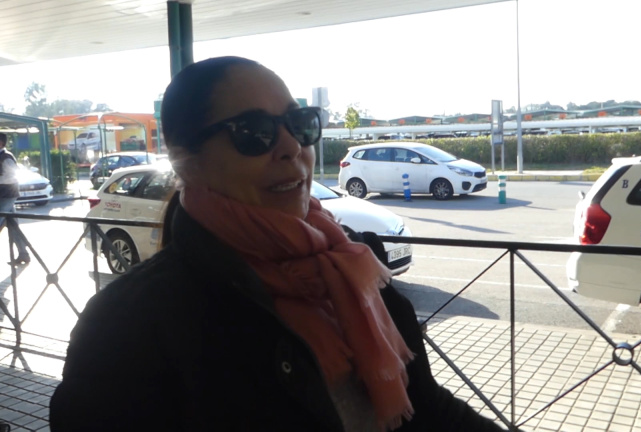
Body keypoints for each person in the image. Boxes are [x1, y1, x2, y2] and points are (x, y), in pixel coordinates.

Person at [50, 56, 509, 432]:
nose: (292, 147)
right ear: (186, 157)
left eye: (300, 123)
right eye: (254, 132)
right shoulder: (128, 325)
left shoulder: (349, 262)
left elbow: (424, 407)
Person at [0, 133, 31, 266]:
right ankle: (24, 254)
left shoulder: (6, 157)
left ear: (1, 143)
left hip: (7, 194)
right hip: (5, 194)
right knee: (13, 226)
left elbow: (13, 176)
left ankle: (24, 254)